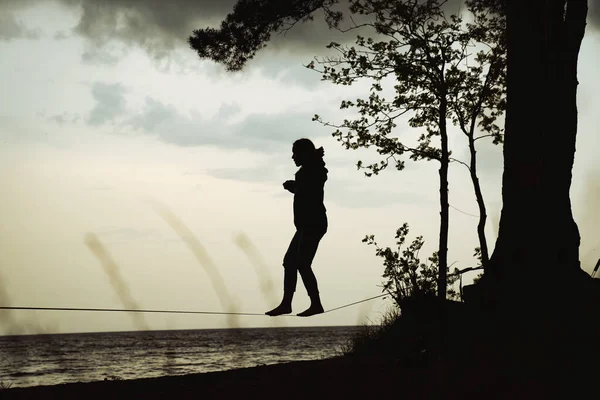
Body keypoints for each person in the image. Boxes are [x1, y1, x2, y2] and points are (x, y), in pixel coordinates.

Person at [266, 138, 328, 317]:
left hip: (313, 223)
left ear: (304, 154)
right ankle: (286, 304)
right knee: (290, 262)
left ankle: (315, 304)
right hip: (304, 225)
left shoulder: (314, 170)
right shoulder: (308, 171)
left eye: (295, 153)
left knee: (302, 263)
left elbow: (309, 190)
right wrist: (293, 187)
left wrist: (294, 186)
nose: (292, 157)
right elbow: (303, 189)